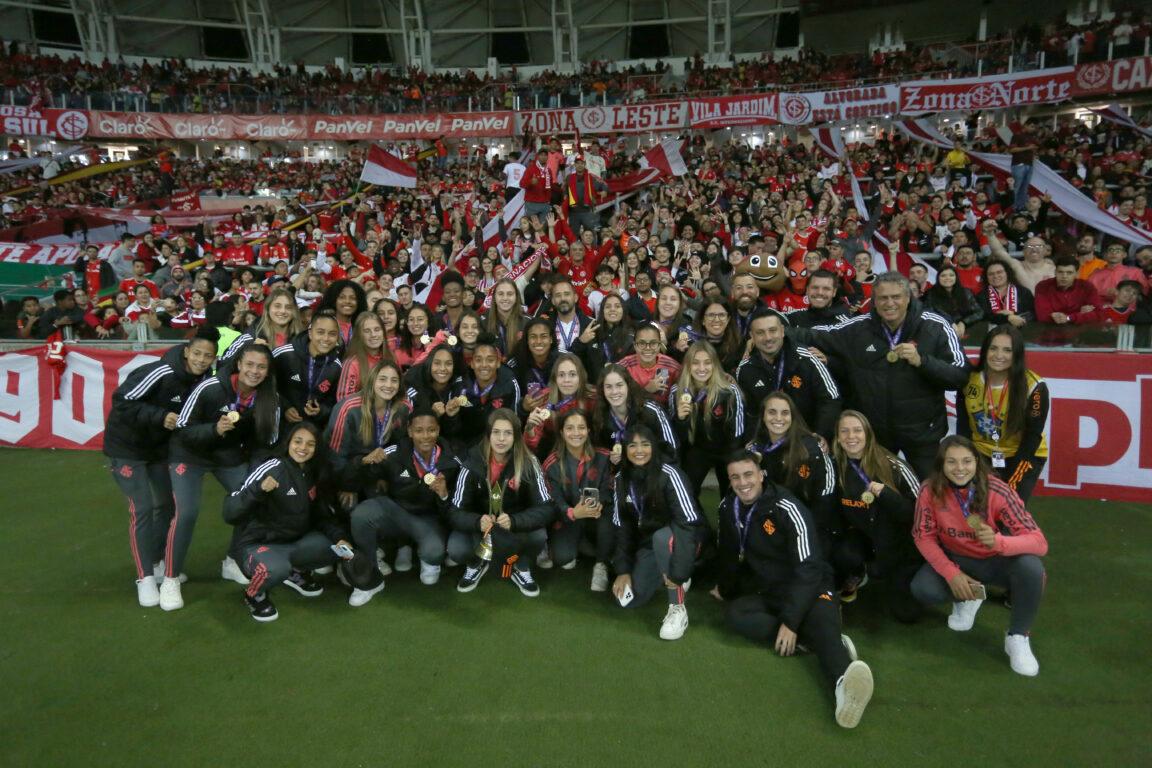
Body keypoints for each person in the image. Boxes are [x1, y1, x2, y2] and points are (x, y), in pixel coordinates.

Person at [717, 450, 874, 729]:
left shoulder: (788, 507)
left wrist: (790, 621)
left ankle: (843, 688)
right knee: (736, 614)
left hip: (811, 587)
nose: (743, 483)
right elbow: (730, 552)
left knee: (822, 623)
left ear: (761, 475)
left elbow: (810, 568)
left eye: (748, 474)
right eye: (735, 477)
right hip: (771, 591)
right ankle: (816, 641)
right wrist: (725, 588)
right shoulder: (730, 506)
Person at [791, 271, 968, 477]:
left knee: (931, 491)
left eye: (896, 297)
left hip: (922, 435)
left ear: (908, 298)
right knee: (881, 495)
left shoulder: (935, 326)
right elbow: (816, 334)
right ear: (874, 300)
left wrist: (923, 362)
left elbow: (960, 375)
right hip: (877, 436)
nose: (889, 303)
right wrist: (774, 332)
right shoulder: (859, 327)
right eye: (883, 298)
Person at [911, 436, 1049, 676]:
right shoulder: (930, 489)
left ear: (977, 462)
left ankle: (1017, 636)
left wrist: (999, 542)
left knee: (1031, 568)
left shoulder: (997, 489)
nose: (960, 468)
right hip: (957, 560)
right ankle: (968, 598)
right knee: (923, 589)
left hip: (995, 561)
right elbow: (923, 536)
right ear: (941, 465)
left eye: (966, 461)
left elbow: (1039, 542)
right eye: (951, 462)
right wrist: (952, 574)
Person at [104, 328, 219, 607]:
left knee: (168, 505)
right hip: (126, 449)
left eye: (208, 356)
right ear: (186, 352)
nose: (202, 360)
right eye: (197, 353)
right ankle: (144, 579)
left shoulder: (205, 380)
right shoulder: (160, 371)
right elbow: (121, 402)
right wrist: (159, 416)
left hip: (158, 450)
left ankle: (156, 563)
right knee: (141, 508)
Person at [166, 343, 281, 609]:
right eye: (250, 364)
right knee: (187, 512)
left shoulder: (269, 399)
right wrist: (214, 430)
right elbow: (182, 429)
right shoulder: (211, 387)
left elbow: (267, 443)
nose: (254, 371)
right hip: (189, 454)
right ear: (239, 364)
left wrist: (254, 473)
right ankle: (171, 578)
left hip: (228, 456)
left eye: (261, 367)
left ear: (267, 371)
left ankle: (232, 561)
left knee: (251, 499)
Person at [223, 422, 350, 622]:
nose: (303, 448)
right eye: (298, 442)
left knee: (336, 549)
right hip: (258, 544)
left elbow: (321, 516)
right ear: (288, 443)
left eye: (310, 444)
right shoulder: (272, 467)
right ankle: (254, 594)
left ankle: (295, 573)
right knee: (273, 569)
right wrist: (257, 491)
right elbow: (230, 512)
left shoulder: (313, 472)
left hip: (292, 541)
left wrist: (341, 539)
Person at [347, 409, 461, 604]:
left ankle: (423, 554)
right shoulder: (393, 453)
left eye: (431, 430)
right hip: (397, 513)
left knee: (434, 553)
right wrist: (363, 463)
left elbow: (454, 510)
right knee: (361, 514)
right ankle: (369, 579)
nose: (425, 436)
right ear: (409, 431)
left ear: (438, 430)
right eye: (419, 430)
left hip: (428, 519)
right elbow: (363, 476)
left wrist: (443, 495)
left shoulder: (453, 462)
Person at [611, 424, 705, 641]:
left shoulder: (670, 473)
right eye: (632, 445)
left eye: (645, 444)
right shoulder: (620, 479)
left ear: (654, 446)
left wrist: (677, 574)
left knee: (663, 538)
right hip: (651, 545)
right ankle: (668, 569)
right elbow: (623, 527)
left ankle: (677, 606)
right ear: (624, 450)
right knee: (626, 600)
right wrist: (623, 570)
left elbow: (688, 524)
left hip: (686, 540)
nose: (639, 450)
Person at [450, 409, 554, 596]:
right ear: (488, 434)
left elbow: (546, 508)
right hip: (481, 527)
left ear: (516, 436)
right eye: (496, 432)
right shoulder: (471, 463)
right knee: (456, 549)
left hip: (512, 526)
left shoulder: (529, 462)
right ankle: (477, 563)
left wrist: (515, 520)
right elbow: (455, 510)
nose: (501, 439)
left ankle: (519, 566)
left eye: (508, 433)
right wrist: (476, 521)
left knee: (539, 536)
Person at [831, 410, 923, 618]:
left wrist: (887, 495)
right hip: (862, 537)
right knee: (844, 554)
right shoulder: (835, 465)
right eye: (844, 431)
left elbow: (917, 513)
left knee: (907, 614)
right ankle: (857, 572)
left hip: (899, 543)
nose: (851, 437)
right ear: (837, 437)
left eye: (857, 430)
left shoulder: (893, 466)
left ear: (868, 434)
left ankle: (892, 573)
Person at [957, 325, 1049, 502]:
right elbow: (963, 428)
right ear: (985, 350)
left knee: (1007, 508)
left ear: (1017, 355)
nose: (999, 355)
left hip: (1022, 455)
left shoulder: (1035, 387)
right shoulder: (968, 379)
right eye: (993, 348)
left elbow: (1032, 437)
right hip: (980, 452)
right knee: (975, 506)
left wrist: (1011, 482)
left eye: (1007, 350)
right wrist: (967, 461)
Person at [737, 310, 841, 441]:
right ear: (752, 336)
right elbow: (751, 415)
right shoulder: (746, 369)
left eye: (772, 330)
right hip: (769, 443)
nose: (768, 337)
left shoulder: (807, 358)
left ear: (782, 331)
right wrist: (755, 442)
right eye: (760, 333)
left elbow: (830, 398)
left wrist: (821, 435)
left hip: (807, 439)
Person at [748, 391, 836, 545]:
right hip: (772, 521)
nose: (778, 418)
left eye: (785, 413)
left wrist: (809, 528)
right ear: (763, 416)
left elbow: (826, 492)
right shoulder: (755, 448)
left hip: (809, 523)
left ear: (792, 417)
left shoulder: (811, 448)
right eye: (772, 412)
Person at [541, 409, 616, 589]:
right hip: (570, 518)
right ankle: (586, 546)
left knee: (609, 518)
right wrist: (573, 512)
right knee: (563, 558)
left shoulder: (604, 457)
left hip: (597, 517)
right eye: (570, 428)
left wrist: (600, 502)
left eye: (581, 427)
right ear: (561, 432)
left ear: (588, 431)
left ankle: (601, 564)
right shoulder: (551, 464)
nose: (576, 433)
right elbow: (554, 500)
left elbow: (609, 489)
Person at [326, 360, 411, 502]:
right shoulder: (348, 408)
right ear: (372, 380)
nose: (388, 385)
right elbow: (335, 457)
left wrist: (383, 476)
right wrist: (347, 486)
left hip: (376, 471)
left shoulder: (401, 408)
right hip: (349, 473)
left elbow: (398, 446)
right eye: (382, 379)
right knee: (348, 507)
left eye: (394, 380)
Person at [670, 341, 746, 496]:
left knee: (732, 492)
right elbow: (678, 440)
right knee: (687, 490)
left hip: (727, 449)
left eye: (707, 363)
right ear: (688, 366)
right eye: (695, 363)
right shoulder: (677, 392)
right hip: (698, 449)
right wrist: (681, 420)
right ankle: (696, 519)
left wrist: (735, 461)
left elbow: (737, 433)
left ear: (715, 365)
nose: (702, 368)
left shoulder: (729, 391)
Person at [593, 364, 678, 463]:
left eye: (619, 385)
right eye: (608, 387)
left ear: (628, 386)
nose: (614, 391)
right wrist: (610, 460)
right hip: (624, 474)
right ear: (602, 390)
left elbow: (672, 452)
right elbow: (601, 455)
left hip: (655, 471)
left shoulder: (651, 411)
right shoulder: (601, 417)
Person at [273, 310, 344, 428]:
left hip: (312, 429)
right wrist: (284, 407)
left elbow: (334, 401)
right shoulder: (284, 354)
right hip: (280, 425)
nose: (326, 338)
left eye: (332, 334)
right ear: (310, 333)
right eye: (320, 332)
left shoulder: (336, 367)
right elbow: (266, 386)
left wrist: (321, 411)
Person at [618, 322, 682, 407]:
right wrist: (646, 389)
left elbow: (687, 387)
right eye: (642, 343)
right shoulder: (624, 366)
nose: (647, 348)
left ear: (660, 345)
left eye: (653, 343)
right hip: (632, 412)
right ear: (635, 346)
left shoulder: (672, 366)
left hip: (664, 412)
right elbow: (613, 394)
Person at [920, 265, 984, 339]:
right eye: (943, 275)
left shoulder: (965, 292)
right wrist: (950, 322)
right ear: (938, 278)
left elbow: (979, 312)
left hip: (966, 332)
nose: (947, 278)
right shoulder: (930, 294)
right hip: (939, 333)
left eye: (951, 275)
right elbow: (929, 313)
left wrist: (963, 322)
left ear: (956, 277)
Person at [1034, 258, 1102, 325]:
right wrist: (1079, 314)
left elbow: (1098, 314)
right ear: (1055, 272)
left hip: (1081, 330)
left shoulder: (1087, 287)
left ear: (1076, 273)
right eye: (1060, 272)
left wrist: (1068, 318)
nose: (1064, 276)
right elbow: (1042, 316)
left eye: (1069, 273)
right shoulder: (1043, 287)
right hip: (1051, 330)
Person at [978, 260, 1034, 329]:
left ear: (1007, 273)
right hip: (992, 333)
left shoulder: (1023, 292)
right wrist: (1006, 317)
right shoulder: (981, 295)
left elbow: (1032, 313)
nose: (995, 276)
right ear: (986, 277)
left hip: (1022, 330)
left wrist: (1014, 315)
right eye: (991, 274)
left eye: (999, 272)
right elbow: (983, 316)